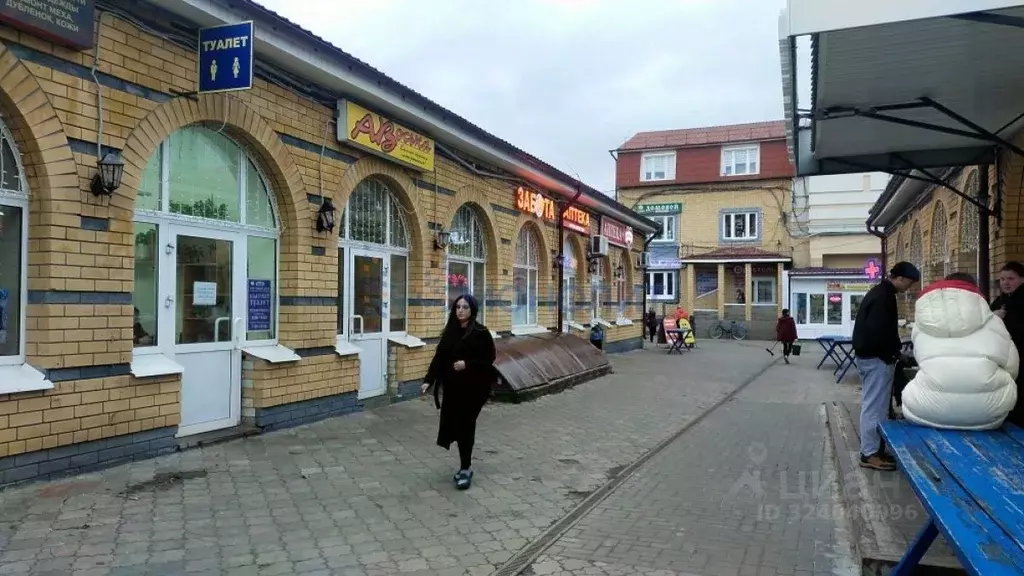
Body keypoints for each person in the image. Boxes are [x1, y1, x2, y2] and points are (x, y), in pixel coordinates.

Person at [901, 272, 1018, 430]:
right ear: (974, 290)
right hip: (987, 415)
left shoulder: (921, 324)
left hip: (924, 411)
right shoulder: (993, 321)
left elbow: (920, 359)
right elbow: (1012, 367)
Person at [421, 294, 496, 490]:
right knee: (456, 425)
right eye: (457, 307)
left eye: (465, 307)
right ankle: (465, 464)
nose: (460, 310)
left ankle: (465, 468)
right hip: (454, 388)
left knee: (466, 425)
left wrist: (467, 364)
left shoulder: (481, 332)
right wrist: (428, 380)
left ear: (472, 310)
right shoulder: (451, 332)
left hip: (475, 388)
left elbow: (489, 359)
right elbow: (439, 357)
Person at [851, 261, 920, 471]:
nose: (910, 287)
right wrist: (893, 353)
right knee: (874, 407)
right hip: (876, 360)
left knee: (878, 407)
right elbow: (878, 333)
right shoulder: (884, 297)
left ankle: (874, 449)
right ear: (900, 278)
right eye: (910, 282)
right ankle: (869, 453)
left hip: (872, 358)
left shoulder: (881, 293)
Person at [990, 262, 1024, 427]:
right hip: (1004, 360)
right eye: (1002, 279)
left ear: (1022, 279)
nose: (1005, 283)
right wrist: (993, 317)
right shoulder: (1000, 301)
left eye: (1011, 278)